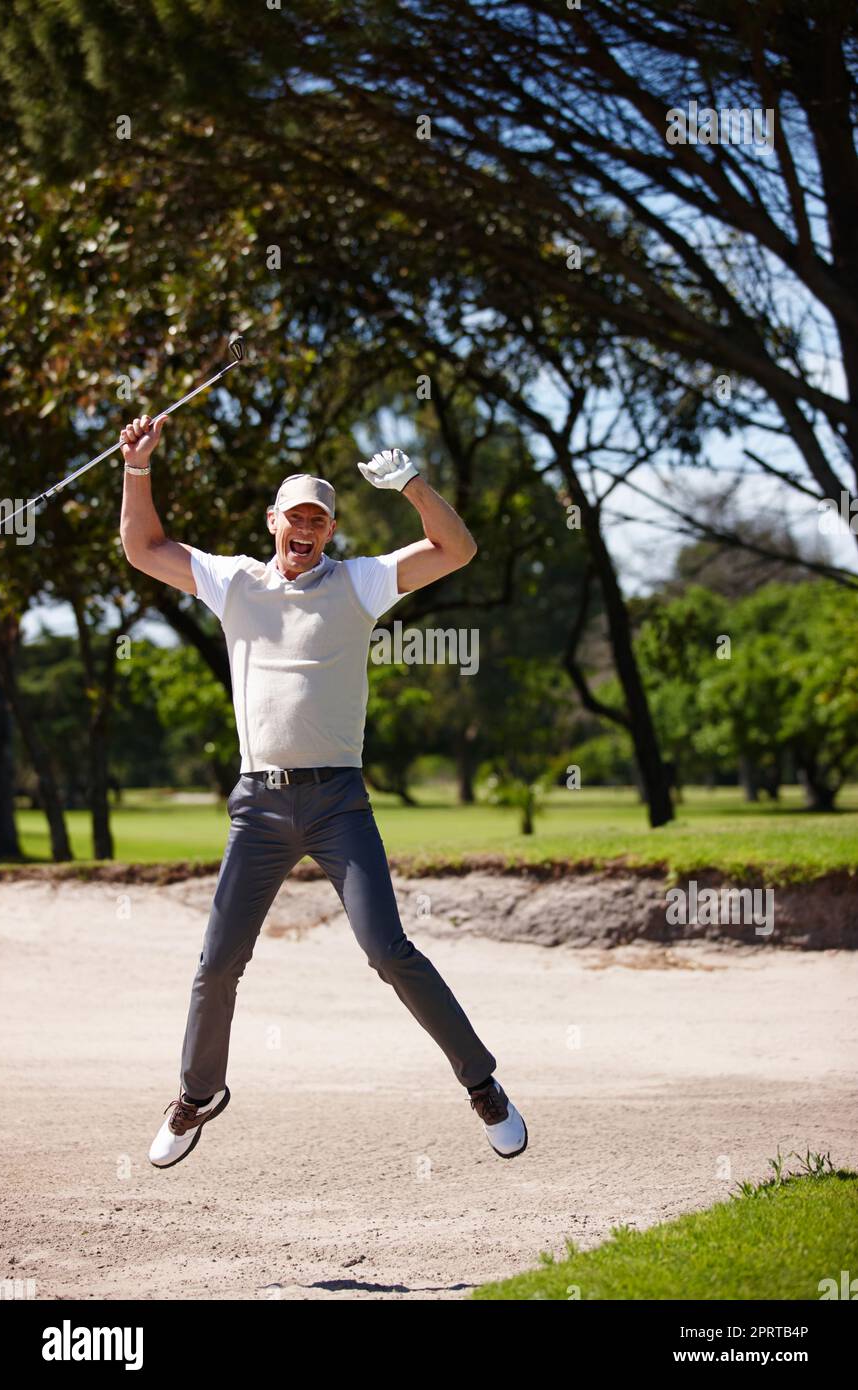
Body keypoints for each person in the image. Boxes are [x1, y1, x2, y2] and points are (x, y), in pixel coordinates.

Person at [117, 409, 528, 1168]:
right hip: (259, 806)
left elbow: (458, 549)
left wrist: (414, 485)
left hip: (338, 803)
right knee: (217, 962)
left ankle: (483, 1084)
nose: (304, 529)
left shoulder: (359, 582)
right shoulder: (234, 581)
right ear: (272, 522)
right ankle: (197, 1094)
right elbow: (143, 548)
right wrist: (137, 468)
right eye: (294, 517)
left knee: (387, 949)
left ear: (331, 530)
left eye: (318, 520)